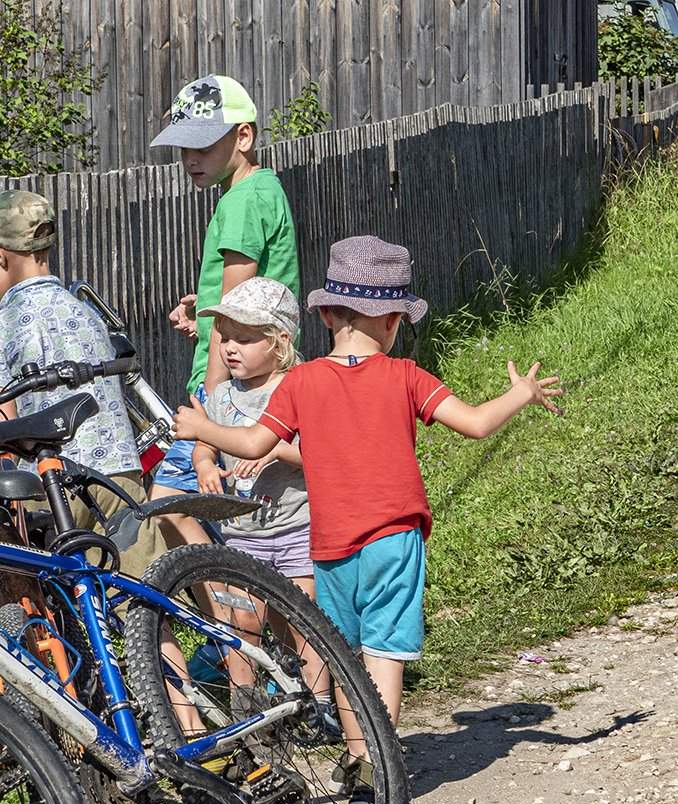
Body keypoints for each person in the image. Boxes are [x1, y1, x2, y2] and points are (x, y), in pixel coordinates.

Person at [173, 235, 564, 727]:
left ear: (326, 316)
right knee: (383, 651)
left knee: (348, 654)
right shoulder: (407, 375)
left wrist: (200, 430)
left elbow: (252, 443)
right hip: (394, 536)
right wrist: (521, 393)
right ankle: (379, 762)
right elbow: (478, 424)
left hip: (331, 540)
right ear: (394, 320)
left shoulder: (301, 381)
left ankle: (360, 758)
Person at [0, 189, 164, 575]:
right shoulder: (87, 313)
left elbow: (5, 421)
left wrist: (6, 491)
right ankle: (163, 637)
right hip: (118, 472)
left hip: (51, 482)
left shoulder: (0, 327)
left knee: (58, 598)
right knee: (145, 599)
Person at [147, 74, 300, 546]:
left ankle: (232, 608)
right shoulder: (264, 189)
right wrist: (204, 310)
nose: (191, 158)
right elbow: (247, 294)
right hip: (263, 372)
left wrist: (213, 401)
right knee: (250, 512)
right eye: (183, 148)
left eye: (204, 145)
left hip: (233, 387)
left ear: (244, 136)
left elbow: (233, 308)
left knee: (166, 503)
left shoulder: (239, 204)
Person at [191, 277, 311, 594]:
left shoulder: (298, 388)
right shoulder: (221, 396)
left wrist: (275, 450)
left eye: (243, 340)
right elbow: (205, 444)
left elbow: (320, 458)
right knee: (245, 622)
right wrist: (204, 466)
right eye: (225, 338)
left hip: (296, 527)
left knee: (302, 618)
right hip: (240, 530)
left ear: (280, 342)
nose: (229, 348)